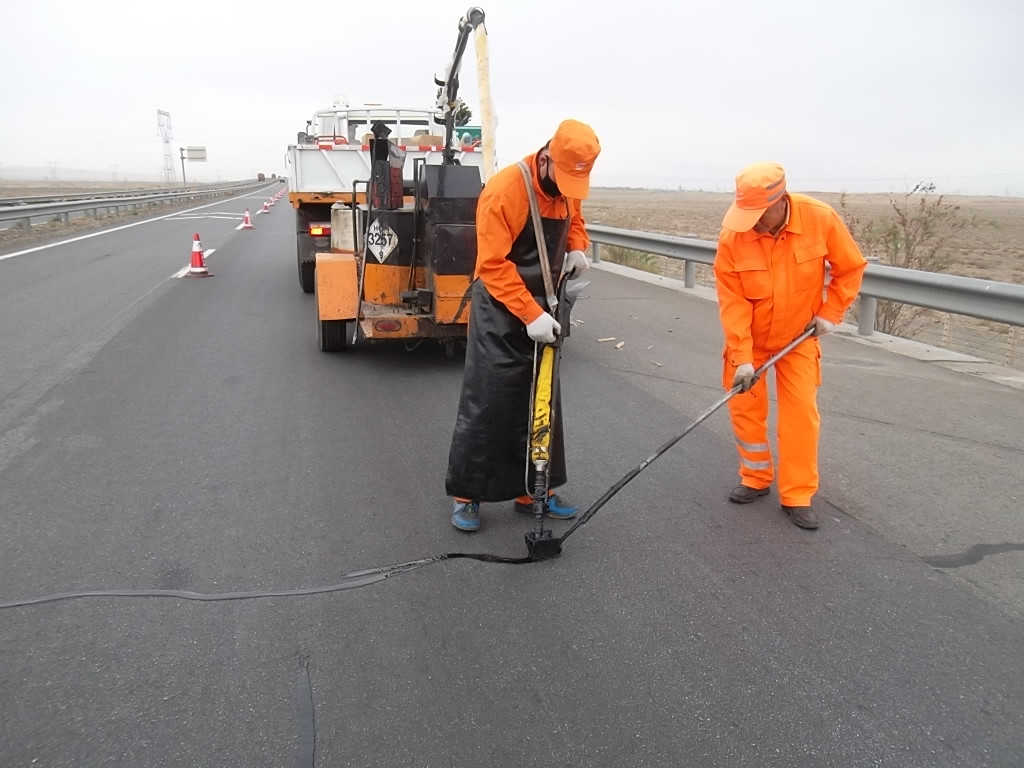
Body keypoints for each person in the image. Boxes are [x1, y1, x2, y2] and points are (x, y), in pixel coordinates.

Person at [445, 119, 601, 532]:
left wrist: (577, 248)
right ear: (546, 158)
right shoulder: (504, 191)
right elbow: (492, 265)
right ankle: (468, 494)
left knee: (543, 399)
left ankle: (536, 490)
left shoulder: (570, 185)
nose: (569, 190)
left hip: (546, 303)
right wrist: (528, 315)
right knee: (492, 401)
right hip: (499, 305)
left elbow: (576, 218)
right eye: (563, 179)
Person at [713, 162, 867, 530]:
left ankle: (797, 494)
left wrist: (831, 312)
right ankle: (755, 477)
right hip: (750, 341)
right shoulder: (733, 238)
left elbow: (850, 267)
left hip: (799, 338)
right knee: (745, 410)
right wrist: (742, 358)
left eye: (758, 214)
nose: (751, 222)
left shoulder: (820, 219)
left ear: (780, 201)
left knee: (800, 416)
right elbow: (732, 303)